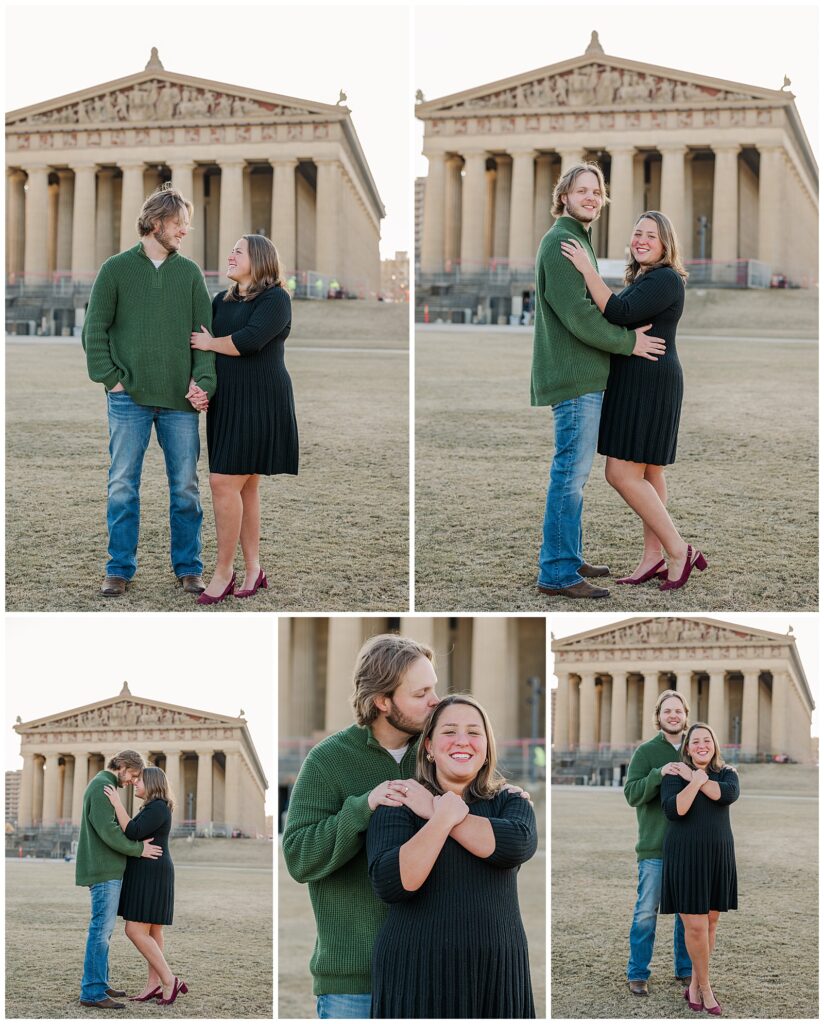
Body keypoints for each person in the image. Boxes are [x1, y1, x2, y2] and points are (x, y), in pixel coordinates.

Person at [282, 633, 530, 1018]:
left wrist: (502, 793)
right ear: (383, 701)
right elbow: (299, 858)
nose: (435, 701)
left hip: (430, 973)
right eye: (421, 693)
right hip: (356, 980)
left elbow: (477, 801)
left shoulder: (439, 749)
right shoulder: (328, 760)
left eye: (434, 688)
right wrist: (362, 807)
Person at [531, 162, 666, 600]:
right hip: (575, 379)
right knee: (569, 474)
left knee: (575, 474)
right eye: (582, 190)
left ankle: (567, 557)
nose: (591, 197)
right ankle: (556, 572)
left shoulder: (577, 240)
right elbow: (579, 316)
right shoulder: (561, 242)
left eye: (596, 191)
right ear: (564, 196)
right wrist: (629, 343)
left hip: (586, 375)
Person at [560, 210, 706, 591]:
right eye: (637, 232)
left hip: (649, 382)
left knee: (621, 473)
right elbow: (620, 319)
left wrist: (585, 268)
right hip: (643, 378)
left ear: (665, 244)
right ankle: (653, 558)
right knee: (649, 473)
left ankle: (679, 551)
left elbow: (618, 311)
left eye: (651, 236)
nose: (641, 240)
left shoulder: (665, 278)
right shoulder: (648, 278)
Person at [82, 183, 216, 598]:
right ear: (156, 222)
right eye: (180, 224)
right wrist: (112, 380)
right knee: (122, 484)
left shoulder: (190, 273)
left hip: (179, 402)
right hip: (128, 400)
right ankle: (119, 568)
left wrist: (203, 382)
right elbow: (94, 330)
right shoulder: (115, 269)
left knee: (185, 487)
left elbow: (204, 336)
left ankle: (189, 568)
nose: (185, 232)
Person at [367, 694, 537, 1019]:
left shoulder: (509, 800)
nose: (463, 741)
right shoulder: (401, 801)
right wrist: (441, 818)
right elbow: (395, 882)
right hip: (414, 976)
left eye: (474, 732)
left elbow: (517, 844)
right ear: (429, 746)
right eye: (449, 732)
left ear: (487, 746)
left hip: (496, 975)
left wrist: (435, 810)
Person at [190, 235, 298, 604]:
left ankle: (224, 571)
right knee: (245, 486)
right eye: (231, 250)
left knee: (222, 482)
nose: (231, 255)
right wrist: (199, 384)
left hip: (262, 399)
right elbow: (202, 346)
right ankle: (254, 568)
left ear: (261, 259)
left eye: (239, 251)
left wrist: (209, 344)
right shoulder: (221, 300)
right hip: (227, 401)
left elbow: (249, 341)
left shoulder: (276, 299)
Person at [661, 723, 739, 1016]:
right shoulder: (673, 775)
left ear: (714, 745)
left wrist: (695, 776)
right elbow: (676, 810)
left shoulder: (728, 774)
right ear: (688, 747)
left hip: (717, 855)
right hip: (685, 856)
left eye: (707, 740)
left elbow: (724, 796)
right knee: (694, 925)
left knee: (710, 923)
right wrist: (693, 780)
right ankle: (706, 988)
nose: (701, 745)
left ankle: (694, 984)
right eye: (695, 741)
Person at [76, 751, 162, 1010]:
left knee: (104, 932)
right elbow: (109, 832)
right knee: (100, 932)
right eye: (133, 775)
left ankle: (99, 983)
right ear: (122, 767)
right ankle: (92, 992)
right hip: (104, 871)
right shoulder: (102, 786)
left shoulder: (105, 785)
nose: (131, 782)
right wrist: (139, 849)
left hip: (109, 869)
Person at [623, 691, 692, 997]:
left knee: (688, 915)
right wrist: (658, 774)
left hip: (690, 849)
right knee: (645, 913)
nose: (673, 715)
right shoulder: (646, 752)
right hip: (654, 849)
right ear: (659, 716)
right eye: (668, 711)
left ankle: (686, 970)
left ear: (685, 715)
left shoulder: (696, 747)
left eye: (678, 710)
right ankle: (638, 973)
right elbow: (631, 794)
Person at [104, 766, 186, 1006]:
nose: (135, 784)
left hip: (152, 872)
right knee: (153, 931)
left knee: (134, 931)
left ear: (151, 783)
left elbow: (133, 831)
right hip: (152, 870)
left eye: (139, 781)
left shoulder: (158, 806)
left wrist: (116, 803)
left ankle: (170, 980)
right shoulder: (153, 808)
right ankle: (153, 985)